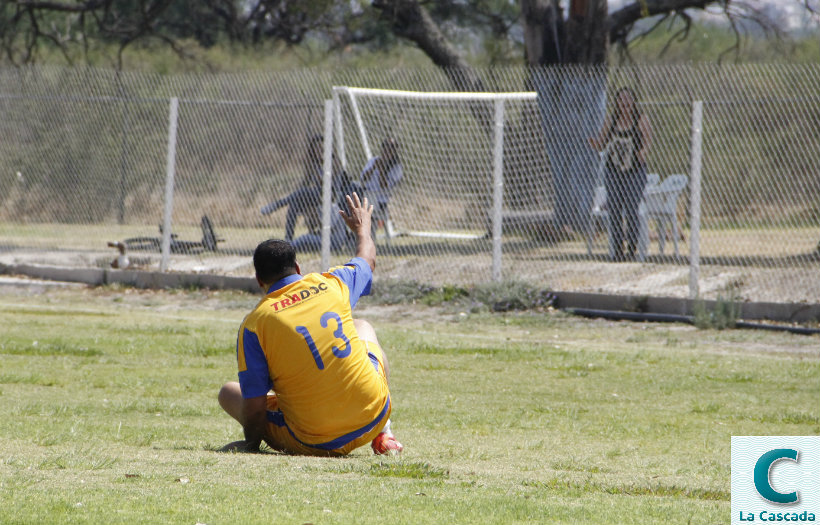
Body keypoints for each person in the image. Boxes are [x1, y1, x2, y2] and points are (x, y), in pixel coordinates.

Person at [218, 192, 403, 456]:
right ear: (297, 267)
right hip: (372, 416)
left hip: (315, 442)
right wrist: (362, 229)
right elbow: (367, 259)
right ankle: (384, 434)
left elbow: (256, 406)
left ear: (259, 280)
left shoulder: (255, 324)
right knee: (363, 328)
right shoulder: (332, 283)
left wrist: (251, 444)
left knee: (228, 392)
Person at [589, 87, 652, 261]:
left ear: (633, 102)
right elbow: (601, 143)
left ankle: (632, 248)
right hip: (614, 170)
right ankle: (617, 249)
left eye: (628, 100)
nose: (625, 104)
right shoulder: (611, 120)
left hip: (634, 170)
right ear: (617, 103)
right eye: (621, 100)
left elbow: (648, 141)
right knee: (615, 209)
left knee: (632, 208)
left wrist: (642, 153)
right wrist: (594, 143)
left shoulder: (640, 119)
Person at [261, 134, 352, 242]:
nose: (319, 150)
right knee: (294, 203)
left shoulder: (334, 160)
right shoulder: (312, 164)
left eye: (321, 147)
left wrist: (320, 168)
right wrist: (300, 193)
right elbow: (306, 182)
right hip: (316, 195)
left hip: (332, 195)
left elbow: (327, 183)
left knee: (299, 194)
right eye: (316, 148)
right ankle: (288, 239)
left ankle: (277, 205)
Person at [360, 137, 402, 239]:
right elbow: (363, 179)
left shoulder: (397, 168)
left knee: (370, 204)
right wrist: (374, 167)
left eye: (391, 147)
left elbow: (385, 187)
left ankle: (369, 238)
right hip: (366, 194)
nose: (387, 150)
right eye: (385, 147)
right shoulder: (374, 160)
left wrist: (381, 170)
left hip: (381, 199)